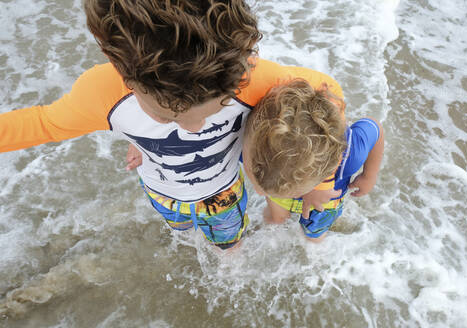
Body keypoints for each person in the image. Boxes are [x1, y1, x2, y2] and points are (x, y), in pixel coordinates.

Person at [0, 0, 342, 249]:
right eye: (171, 116)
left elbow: (327, 100)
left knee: (227, 242)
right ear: (126, 76)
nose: (194, 128)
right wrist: (142, 135)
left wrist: (319, 179)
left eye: (217, 107)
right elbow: (41, 124)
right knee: (180, 231)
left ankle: (229, 253)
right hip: (163, 191)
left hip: (222, 192)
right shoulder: (102, 95)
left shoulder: (253, 77)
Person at [242, 78, 384, 241]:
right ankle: (278, 217)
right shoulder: (257, 145)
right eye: (260, 187)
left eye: (260, 188)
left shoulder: (349, 154)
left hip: (326, 200)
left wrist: (369, 176)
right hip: (283, 190)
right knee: (276, 219)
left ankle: (314, 238)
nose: (258, 192)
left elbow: (375, 128)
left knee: (314, 233)